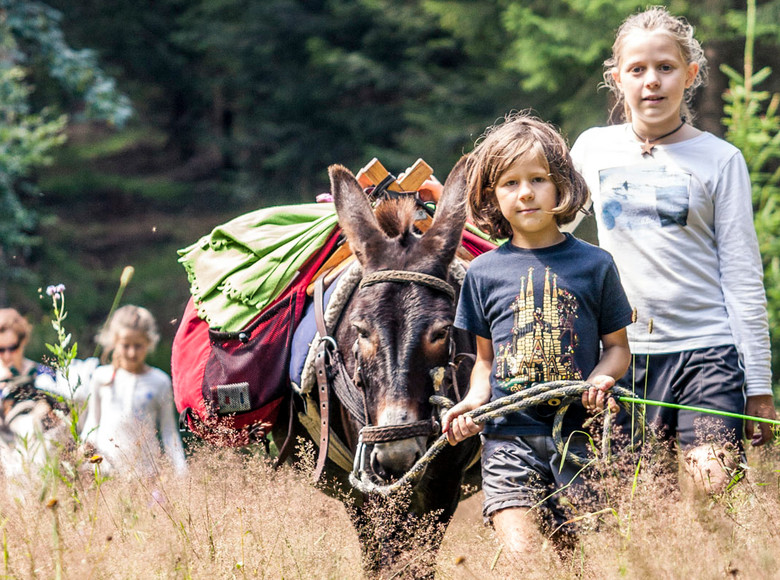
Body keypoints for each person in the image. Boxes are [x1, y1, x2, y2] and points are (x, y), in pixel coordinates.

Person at [570, 6, 777, 492]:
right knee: (641, 502)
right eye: (637, 69)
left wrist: (759, 386)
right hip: (620, 358)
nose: (652, 81)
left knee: (711, 487)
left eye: (665, 67)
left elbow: (743, 276)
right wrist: (459, 218)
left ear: (690, 74)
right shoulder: (593, 149)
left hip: (707, 353)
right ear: (617, 79)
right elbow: (542, 226)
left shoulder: (721, 159)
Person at [442, 112, 633, 558]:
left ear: (561, 185)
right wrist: (472, 403)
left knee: (581, 558)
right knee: (522, 556)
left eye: (538, 179)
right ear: (492, 196)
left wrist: (601, 379)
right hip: (508, 440)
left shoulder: (596, 265)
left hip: (578, 437)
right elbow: (485, 363)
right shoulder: (482, 272)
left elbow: (617, 349)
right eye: (510, 183)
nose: (525, 192)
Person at [81, 305, 186, 476]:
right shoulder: (101, 377)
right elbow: (92, 422)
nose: (132, 352)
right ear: (114, 342)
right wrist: (84, 456)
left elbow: (169, 431)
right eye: (126, 345)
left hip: (146, 475)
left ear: (149, 342)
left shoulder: (160, 381)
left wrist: (181, 471)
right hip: (106, 472)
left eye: (138, 345)